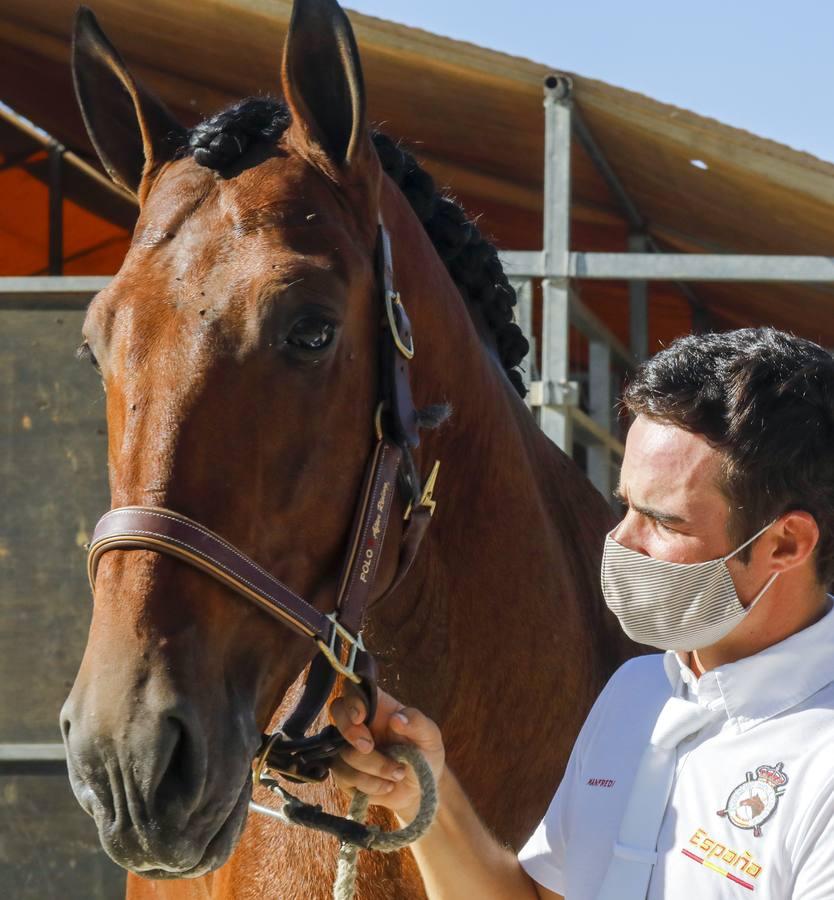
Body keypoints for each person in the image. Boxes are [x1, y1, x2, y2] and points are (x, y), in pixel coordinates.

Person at [329, 327, 834, 899]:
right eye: (625, 505)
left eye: (664, 521)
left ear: (786, 545)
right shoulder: (638, 693)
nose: (619, 539)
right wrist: (422, 790)